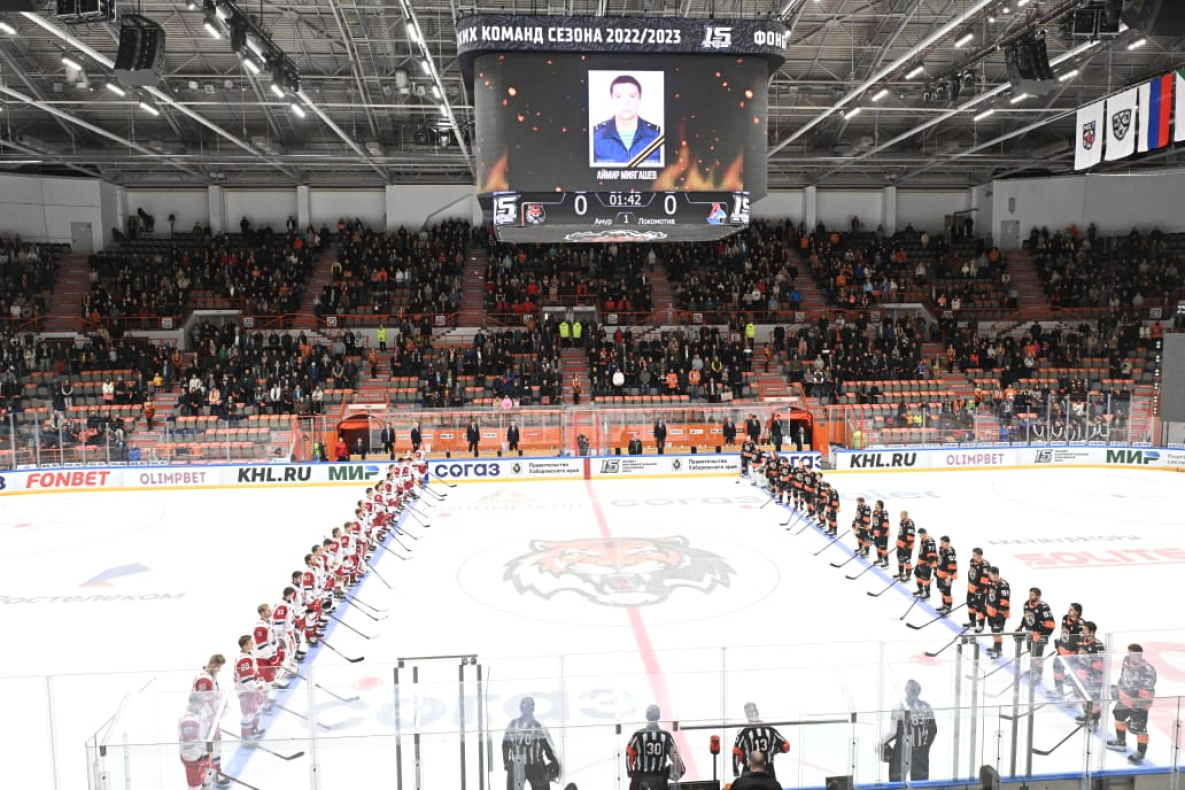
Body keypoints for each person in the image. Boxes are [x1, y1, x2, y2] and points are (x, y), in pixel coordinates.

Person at [592, 75, 662, 165]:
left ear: (639, 99)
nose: (626, 103)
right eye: (619, 97)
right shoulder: (595, 136)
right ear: (611, 99)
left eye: (632, 96)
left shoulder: (657, 136)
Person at [1107, 644, 1157, 763]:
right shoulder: (1126, 661)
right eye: (1129, 653)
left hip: (1139, 703)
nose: (1130, 655)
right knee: (1118, 715)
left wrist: (1138, 700)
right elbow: (1123, 677)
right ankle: (1121, 741)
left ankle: (1141, 752)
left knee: (1139, 728)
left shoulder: (1148, 670)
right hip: (1124, 698)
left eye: (1133, 654)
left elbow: (1148, 688)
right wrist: (1118, 689)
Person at [881, 679, 937, 782]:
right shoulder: (924, 706)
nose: (911, 693)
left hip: (910, 751)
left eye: (914, 690)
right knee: (902, 782)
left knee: (911, 783)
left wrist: (881, 742)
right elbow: (932, 730)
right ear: (906, 690)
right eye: (910, 690)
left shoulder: (900, 707)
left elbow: (893, 731)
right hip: (907, 751)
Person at [503, 697, 562, 790]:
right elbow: (505, 744)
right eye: (524, 706)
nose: (525, 709)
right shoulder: (514, 724)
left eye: (528, 706)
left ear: (533, 708)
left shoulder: (538, 726)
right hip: (519, 765)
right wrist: (506, 762)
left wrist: (554, 762)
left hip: (535, 766)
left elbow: (548, 746)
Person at [626, 705, 685, 790]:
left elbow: (629, 755)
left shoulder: (638, 735)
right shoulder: (666, 736)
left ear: (646, 716)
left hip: (640, 779)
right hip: (659, 779)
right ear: (659, 716)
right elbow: (678, 761)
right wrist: (669, 774)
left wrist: (631, 772)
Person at [732, 702, 789, 780]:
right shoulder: (771, 730)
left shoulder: (744, 732)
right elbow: (786, 746)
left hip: (749, 770)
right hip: (768, 769)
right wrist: (773, 750)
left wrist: (735, 771)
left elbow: (736, 752)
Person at [1019, 587, 1056, 682]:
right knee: (1031, 651)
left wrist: (1043, 635)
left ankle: (1038, 674)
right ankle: (1033, 669)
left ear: (1038, 596)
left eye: (1032, 595)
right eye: (1029, 594)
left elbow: (1051, 624)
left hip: (1040, 634)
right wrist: (1021, 626)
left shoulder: (1044, 607)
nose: (1030, 596)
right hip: (1030, 633)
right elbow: (1026, 617)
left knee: (1038, 655)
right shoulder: (1026, 604)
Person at [179, 693, 215, 790]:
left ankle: (207, 787)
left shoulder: (198, 712)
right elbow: (189, 747)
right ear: (194, 702)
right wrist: (200, 756)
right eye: (201, 703)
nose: (202, 706)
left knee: (210, 770)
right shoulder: (188, 721)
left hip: (203, 752)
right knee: (195, 784)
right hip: (195, 757)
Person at [1075, 621, 1105, 729]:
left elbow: (1101, 663)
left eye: (1085, 629)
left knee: (1094, 699)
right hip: (1082, 675)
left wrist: (1092, 674)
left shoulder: (1098, 645)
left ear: (1092, 632)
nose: (1082, 631)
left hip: (1094, 678)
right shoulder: (1081, 641)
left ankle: (1095, 720)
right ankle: (1087, 714)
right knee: (1081, 695)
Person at [1052, 603, 1083, 700]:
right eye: (1069, 609)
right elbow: (1064, 633)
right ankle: (1059, 691)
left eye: (1071, 610)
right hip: (1061, 652)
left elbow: (1079, 640)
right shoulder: (1065, 618)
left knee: (1074, 675)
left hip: (1072, 655)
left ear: (1077, 612)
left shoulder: (1081, 624)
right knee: (1057, 671)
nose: (1068, 612)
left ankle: (1075, 695)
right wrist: (1059, 644)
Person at [984, 566, 1011, 659]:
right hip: (991, 611)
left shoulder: (1003, 585)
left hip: (999, 613)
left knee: (997, 631)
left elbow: (1005, 602)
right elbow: (989, 595)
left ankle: (998, 650)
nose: (989, 576)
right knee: (993, 630)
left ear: (995, 574)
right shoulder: (990, 582)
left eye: (990, 574)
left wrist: (1000, 614)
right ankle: (995, 646)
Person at [965, 547, 990, 634]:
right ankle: (972, 622)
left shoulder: (985, 565)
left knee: (979, 608)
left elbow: (985, 581)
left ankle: (981, 625)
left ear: (979, 555)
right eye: (973, 555)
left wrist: (979, 592)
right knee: (970, 605)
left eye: (975, 555)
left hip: (980, 592)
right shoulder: (972, 561)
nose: (973, 556)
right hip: (971, 589)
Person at [935, 536, 958, 614]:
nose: (941, 544)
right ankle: (944, 604)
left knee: (947, 592)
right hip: (940, 574)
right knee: (942, 590)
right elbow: (939, 560)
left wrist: (949, 577)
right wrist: (936, 570)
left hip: (946, 576)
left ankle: (948, 608)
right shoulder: (942, 549)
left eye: (943, 542)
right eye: (941, 542)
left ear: (947, 543)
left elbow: (952, 566)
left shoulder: (950, 552)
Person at [913, 528, 937, 599]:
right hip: (920, 562)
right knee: (917, 574)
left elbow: (932, 556)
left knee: (925, 578)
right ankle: (920, 590)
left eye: (921, 534)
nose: (920, 536)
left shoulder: (930, 542)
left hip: (926, 563)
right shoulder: (923, 540)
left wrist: (928, 565)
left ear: (924, 533)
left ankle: (927, 593)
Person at [895, 511, 916, 582]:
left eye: (901, 515)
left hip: (907, 546)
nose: (900, 516)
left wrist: (906, 544)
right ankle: (901, 573)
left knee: (907, 561)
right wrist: (898, 542)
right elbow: (901, 533)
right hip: (901, 544)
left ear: (906, 515)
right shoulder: (902, 522)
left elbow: (911, 536)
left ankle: (908, 576)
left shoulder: (909, 523)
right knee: (900, 559)